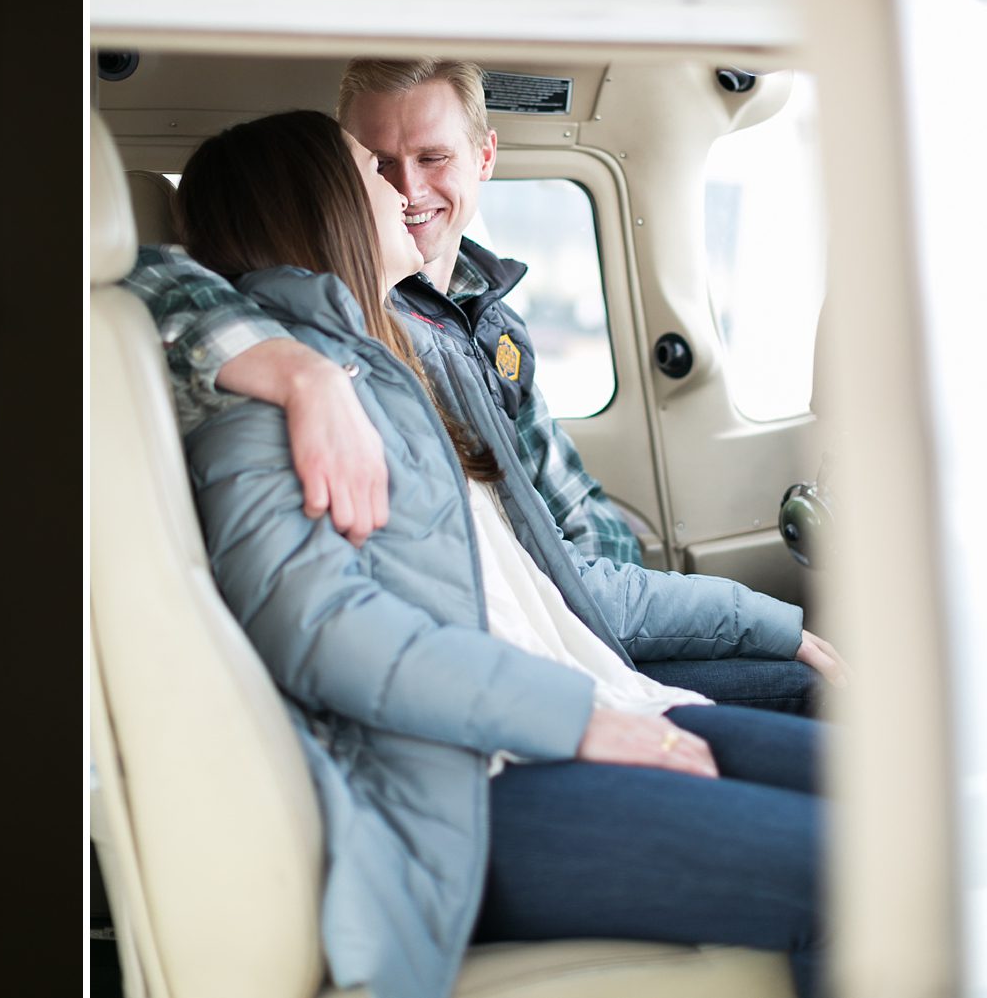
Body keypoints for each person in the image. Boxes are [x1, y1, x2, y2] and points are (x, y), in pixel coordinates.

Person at [174, 109, 825, 998]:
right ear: (323, 206)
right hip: (471, 787)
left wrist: (745, 639)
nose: (403, 192)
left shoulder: (395, 364)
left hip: (584, 705)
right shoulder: (270, 409)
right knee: (866, 874)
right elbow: (325, 629)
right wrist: (577, 720)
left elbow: (547, 583)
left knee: (907, 806)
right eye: (374, 170)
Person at [127, 56, 838, 713]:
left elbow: (566, 524)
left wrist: (659, 633)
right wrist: (301, 373)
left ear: (485, 157)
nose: (407, 189)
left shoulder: (490, 328)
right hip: (524, 673)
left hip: (583, 630)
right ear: (335, 192)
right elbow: (135, 275)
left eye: (432, 158)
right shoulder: (331, 338)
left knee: (811, 692)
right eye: (378, 165)